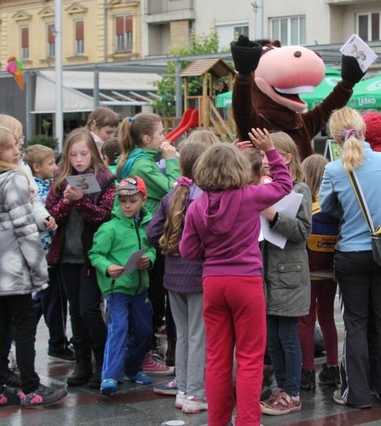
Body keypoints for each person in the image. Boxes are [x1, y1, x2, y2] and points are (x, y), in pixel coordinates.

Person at [179, 129, 292, 426]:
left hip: (213, 283)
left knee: (216, 358)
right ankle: (247, 422)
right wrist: (270, 150)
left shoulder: (197, 206)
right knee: (250, 358)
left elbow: (187, 250)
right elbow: (284, 184)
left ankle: (217, 421)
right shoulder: (250, 197)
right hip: (246, 282)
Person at [319, 107, 381, 409]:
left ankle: (356, 394)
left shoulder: (333, 169)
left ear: (334, 137)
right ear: (363, 131)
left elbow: (327, 206)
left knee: (355, 324)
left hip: (351, 254)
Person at [0, 125, 67, 408]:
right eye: (11, 147)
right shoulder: (14, 180)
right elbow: (25, 230)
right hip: (13, 263)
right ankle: (30, 387)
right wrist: (39, 269)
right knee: (25, 325)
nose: (17, 151)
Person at [46, 128, 116, 388]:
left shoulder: (106, 178)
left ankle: (103, 361)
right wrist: (65, 202)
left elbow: (105, 217)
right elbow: (50, 214)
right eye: (73, 154)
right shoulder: (60, 177)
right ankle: (82, 363)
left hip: (92, 255)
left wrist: (82, 201)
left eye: (83, 153)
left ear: (93, 153)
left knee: (89, 308)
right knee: (75, 309)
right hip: (65, 255)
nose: (78, 159)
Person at [117, 113, 180, 373]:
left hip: (146, 231)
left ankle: (145, 348)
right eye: (160, 133)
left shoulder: (138, 159)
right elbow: (174, 189)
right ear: (146, 138)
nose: (164, 138)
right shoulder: (142, 164)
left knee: (150, 291)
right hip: (149, 233)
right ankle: (146, 350)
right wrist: (172, 161)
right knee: (152, 293)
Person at [149, 142, 209, 413]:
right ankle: (196, 393)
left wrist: (168, 248)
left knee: (183, 335)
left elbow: (152, 231)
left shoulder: (172, 195)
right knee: (198, 335)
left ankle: (183, 389)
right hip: (198, 275)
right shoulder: (204, 197)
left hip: (173, 275)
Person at [88, 176, 157, 395]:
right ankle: (109, 375)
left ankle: (132, 367)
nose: (127, 205)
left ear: (143, 200)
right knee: (118, 329)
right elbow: (95, 254)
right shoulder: (110, 228)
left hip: (140, 288)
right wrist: (107, 267)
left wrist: (150, 259)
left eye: (132, 200)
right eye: (123, 200)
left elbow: (152, 248)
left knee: (145, 330)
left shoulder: (149, 224)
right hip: (117, 288)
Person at [260, 133, 312, 416]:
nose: (266, 163)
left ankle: (291, 392)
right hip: (268, 274)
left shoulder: (300, 189)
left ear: (287, 158)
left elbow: (303, 231)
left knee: (288, 337)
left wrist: (273, 216)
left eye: (271, 156)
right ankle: (281, 387)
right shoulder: (261, 186)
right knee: (273, 337)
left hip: (289, 275)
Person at [24, 144, 74, 362]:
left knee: (44, 296)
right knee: (52, 297)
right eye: (51, 163)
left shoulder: (44, 184)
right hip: (46, 251)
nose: (56, 167)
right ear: (36, 167)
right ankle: (57, 343)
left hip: (46, 250)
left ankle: (25, 332)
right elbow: (47, 212)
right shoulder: (37, 188)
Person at [299, 154, 340, 391]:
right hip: (330, 270)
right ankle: (333, 366)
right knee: (327, 317)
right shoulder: (335, 208)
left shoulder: (304, 207)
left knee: (305, 319)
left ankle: (306, 371)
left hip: (307, 269)